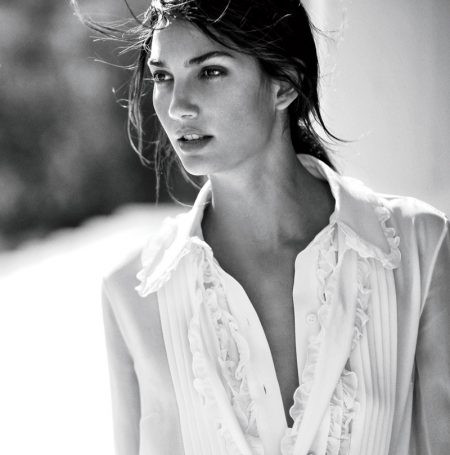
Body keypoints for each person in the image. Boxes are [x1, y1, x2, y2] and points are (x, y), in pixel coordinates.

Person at [74, 1, 450, 454]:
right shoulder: (131, 292)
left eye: (210, 71)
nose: (177, 107)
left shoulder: (420, 248)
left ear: (284, 83)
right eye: (162, 76)